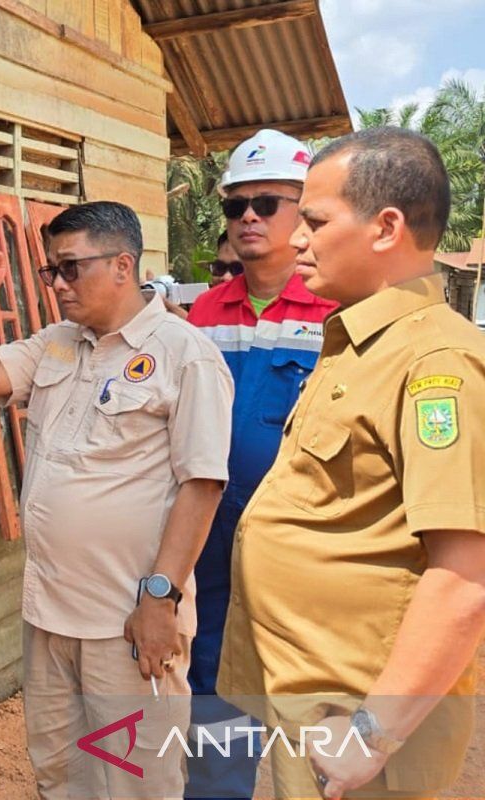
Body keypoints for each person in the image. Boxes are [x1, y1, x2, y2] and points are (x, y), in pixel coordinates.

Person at [218, 127, 485, 799]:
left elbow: (465, 577)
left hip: (356, 715)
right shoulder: (359, 342)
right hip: (309, 695)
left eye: (314, 220)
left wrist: (374, 733)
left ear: (386, 227)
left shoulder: (435, 364)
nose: (298, 239)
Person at [0, 201, 234, 799]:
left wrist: (160, 599)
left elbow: (202, 485)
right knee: (61, 771)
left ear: (123, 265)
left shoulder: (185, 355)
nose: (57, 284)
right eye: (53, 270)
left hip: (127, 621)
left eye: (70, 268)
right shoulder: (59, 343)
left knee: (137, 782)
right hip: (49, 613)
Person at [185, 129, 339, 799]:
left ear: (304, 211)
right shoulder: (202, 313)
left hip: (306, 549)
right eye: (235, 206)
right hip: (211, 539)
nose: (247, 217)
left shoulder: (340, 312)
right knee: (215, 687)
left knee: (312, 705)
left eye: (267, 203)